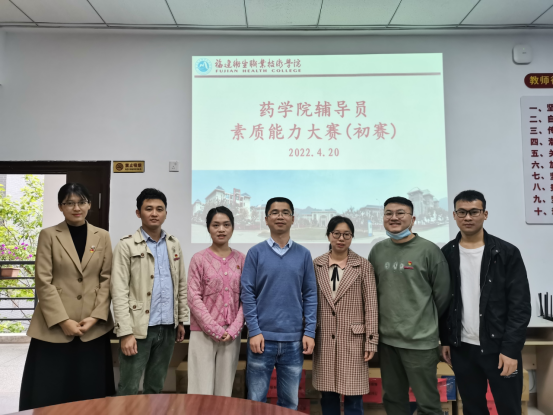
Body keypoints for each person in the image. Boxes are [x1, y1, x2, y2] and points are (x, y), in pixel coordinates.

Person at [19, 183, 115, 410]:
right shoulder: (49, 235)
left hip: (92, 328)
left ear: (89, 204)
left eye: (81, 202)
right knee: (50, 392)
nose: (76, 208)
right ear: (60, 206)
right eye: (69, 203)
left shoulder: (102, 236)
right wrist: (63, 321)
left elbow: (107, 279)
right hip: (54, 328)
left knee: (90, 393)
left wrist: (96, 317)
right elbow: (43, 281)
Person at [441, 190, 531, 415]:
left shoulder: (506, 252)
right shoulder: (446, 253)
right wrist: (446, 339)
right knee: (472, 408)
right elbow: (443, 302)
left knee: (509, 408)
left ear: (485, 214)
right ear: (454, 215)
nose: (468, 217)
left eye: (474, 212)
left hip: (499, 347)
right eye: (462, 212)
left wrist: (510, 350)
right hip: (462, 348)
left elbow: (520, 306)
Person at [368, 196, 451, 415]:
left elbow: (442, 296)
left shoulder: (429, 251)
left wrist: (421, 320)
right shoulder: (377, 251)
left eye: (400, 213)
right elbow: (371, 293)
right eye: (388, 213)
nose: (394, 217)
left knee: (428, 404)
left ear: (413, 219)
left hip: (420, 342)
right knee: (393, 400)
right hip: (387, 341)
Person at [241, 197, 317, 410]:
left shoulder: (303, 254)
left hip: (294, 341)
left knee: (289, 403)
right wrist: (254, 331)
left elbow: (310, 294)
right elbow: (247, 293)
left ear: (293, 219)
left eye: (285, 212)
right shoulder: (255, 253)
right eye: (274, 212)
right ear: (266, 219)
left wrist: (309, 332)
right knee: (256, 401)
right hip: (261, 339)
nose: (280, 216)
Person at [111, 188, 187, 396]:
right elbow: (119, 291)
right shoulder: (126, 245)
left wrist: (181, 320)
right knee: (129, 387)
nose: (154, 213)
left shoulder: (173, 244)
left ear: (166, 213)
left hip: (168, 327)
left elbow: (180, 284)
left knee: (155, 387)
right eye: (149, 209)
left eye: (159, 209)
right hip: (138, 329)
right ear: (138, 213)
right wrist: (125, 333)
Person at [312, 216, 378, 415]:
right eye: (337, 234)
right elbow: (310, 301)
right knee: (328, 396)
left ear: (352, 237)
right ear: (328, 235)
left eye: (346, 235)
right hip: (324, 339)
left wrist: (371, 341)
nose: (341, 238)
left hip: (354, 340)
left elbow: (371, 306)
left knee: (354, 397)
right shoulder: (316, 265)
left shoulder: (363, 265)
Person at [187, 206, 245, 396]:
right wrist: (215, 329)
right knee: (200, 390)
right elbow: (193, 297)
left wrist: (234, 329)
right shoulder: (199, 259)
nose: (221, 229)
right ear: (208, 228)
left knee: (224, 391)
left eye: (226, 225)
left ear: (233, 228)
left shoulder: (242, 259)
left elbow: (247, 298)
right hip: (202, 334)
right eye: (216, 225)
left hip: (230, 336)